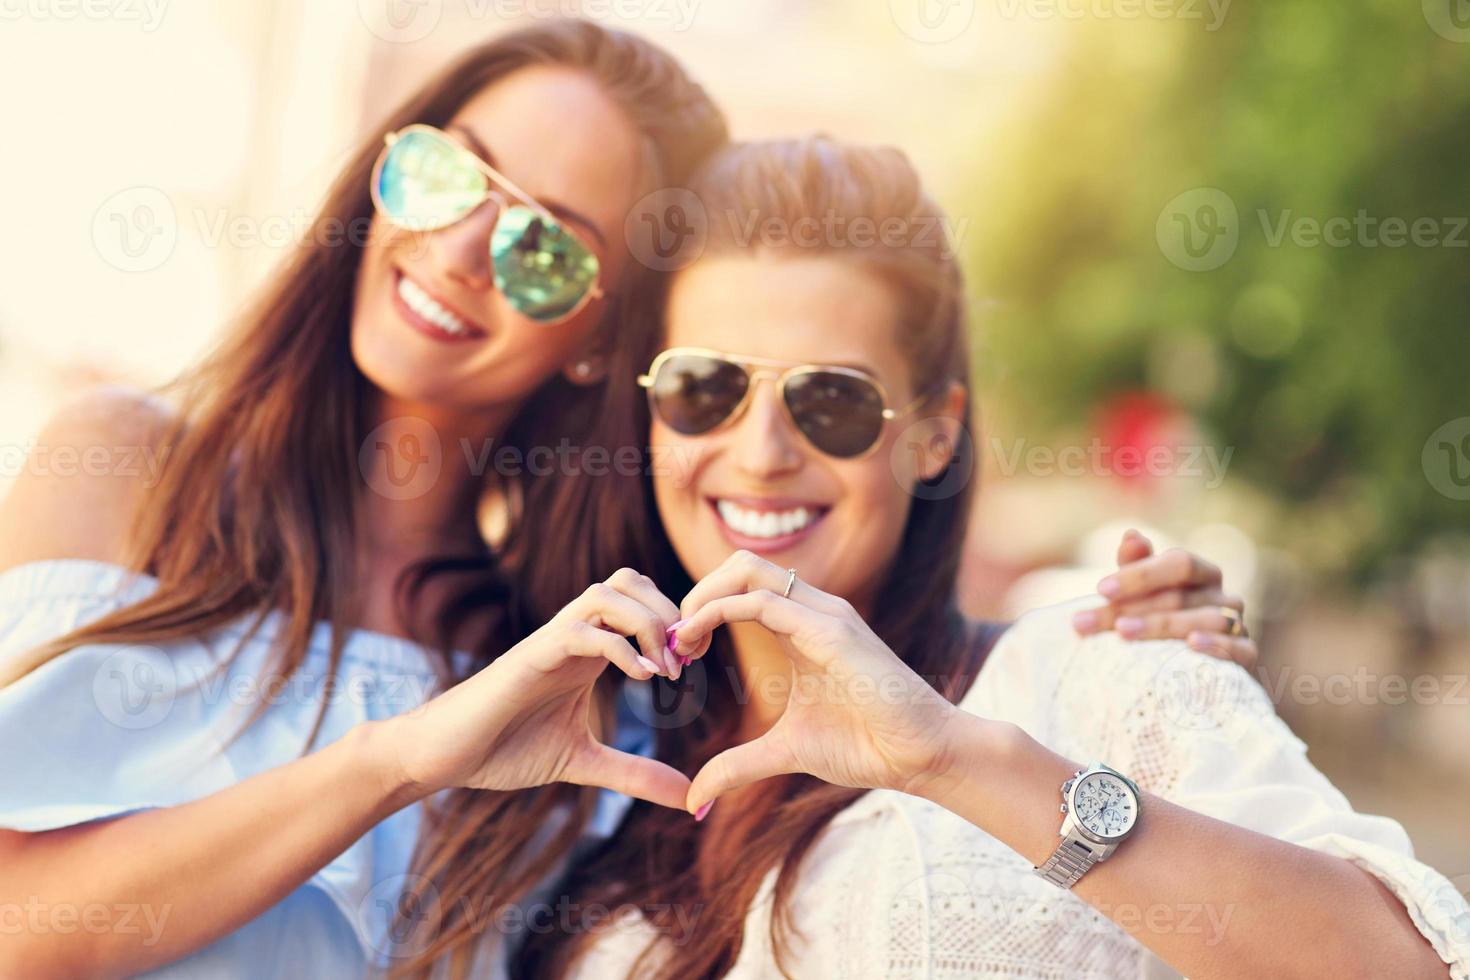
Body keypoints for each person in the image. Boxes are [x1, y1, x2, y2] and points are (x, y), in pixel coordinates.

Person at [0, 22, 1259, 978]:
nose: (455, 251)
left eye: (543, 244)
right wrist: (390, 763)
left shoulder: (584, 659)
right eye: (447, 176)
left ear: (609, 339)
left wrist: (1135, 651)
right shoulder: (126, 472)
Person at [501, 138, 1470, 979]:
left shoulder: (1096, 672)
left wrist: (959, 756)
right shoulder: (589, 735)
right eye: (704, 387)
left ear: (932, 432)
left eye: (829, 399)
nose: (761, 451)